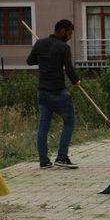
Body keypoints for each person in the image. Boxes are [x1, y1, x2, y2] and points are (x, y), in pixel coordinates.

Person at [27, 20, 80, 169]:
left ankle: (44, 161)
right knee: (69, 123)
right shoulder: (64, 47)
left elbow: (30, 61)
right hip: (59, 93)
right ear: (62, 31)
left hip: (43, 93)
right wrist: (77, 81)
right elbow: (69, 70)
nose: (70, 36)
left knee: (44, 126)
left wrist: (42, 56)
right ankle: (62, 158)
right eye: (69, 33)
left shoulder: (40, 43)